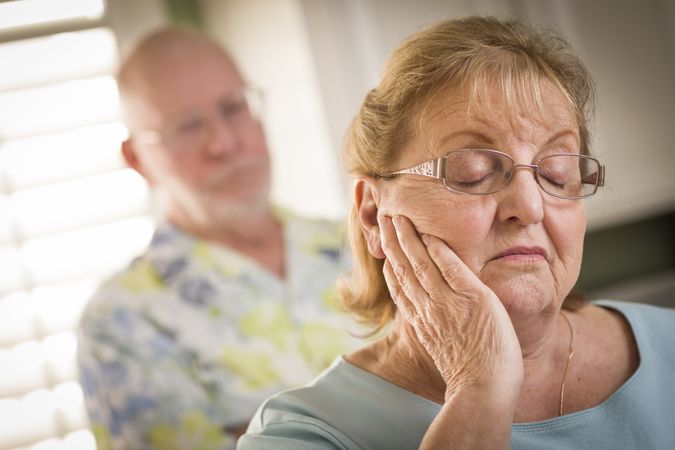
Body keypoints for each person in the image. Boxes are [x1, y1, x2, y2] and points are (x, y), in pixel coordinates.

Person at [239, 15, 675, 449]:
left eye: (556, 174)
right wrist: (479, 390)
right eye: (473, 173)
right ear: (374, 214)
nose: (529, 206)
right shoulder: (302, 434)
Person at [77, 27, 361, 450]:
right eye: (187, 127)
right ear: (137, 159)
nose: (225, 143)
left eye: (233, 108)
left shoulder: (365, 243)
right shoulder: (122, 322)